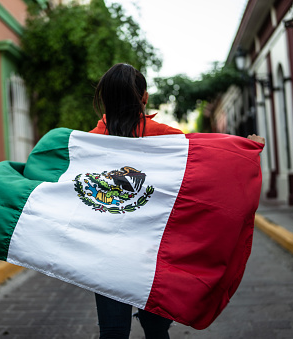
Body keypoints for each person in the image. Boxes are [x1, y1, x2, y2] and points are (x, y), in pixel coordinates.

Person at [89, 63, 264, 338]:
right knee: (157, 330)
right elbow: (209, 161)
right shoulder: (167, 138)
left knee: (112, 332)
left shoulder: (88, 144)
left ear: (107, 99)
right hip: (156, 252)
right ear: (144, 97)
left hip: (107, 254)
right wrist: (247, 149)